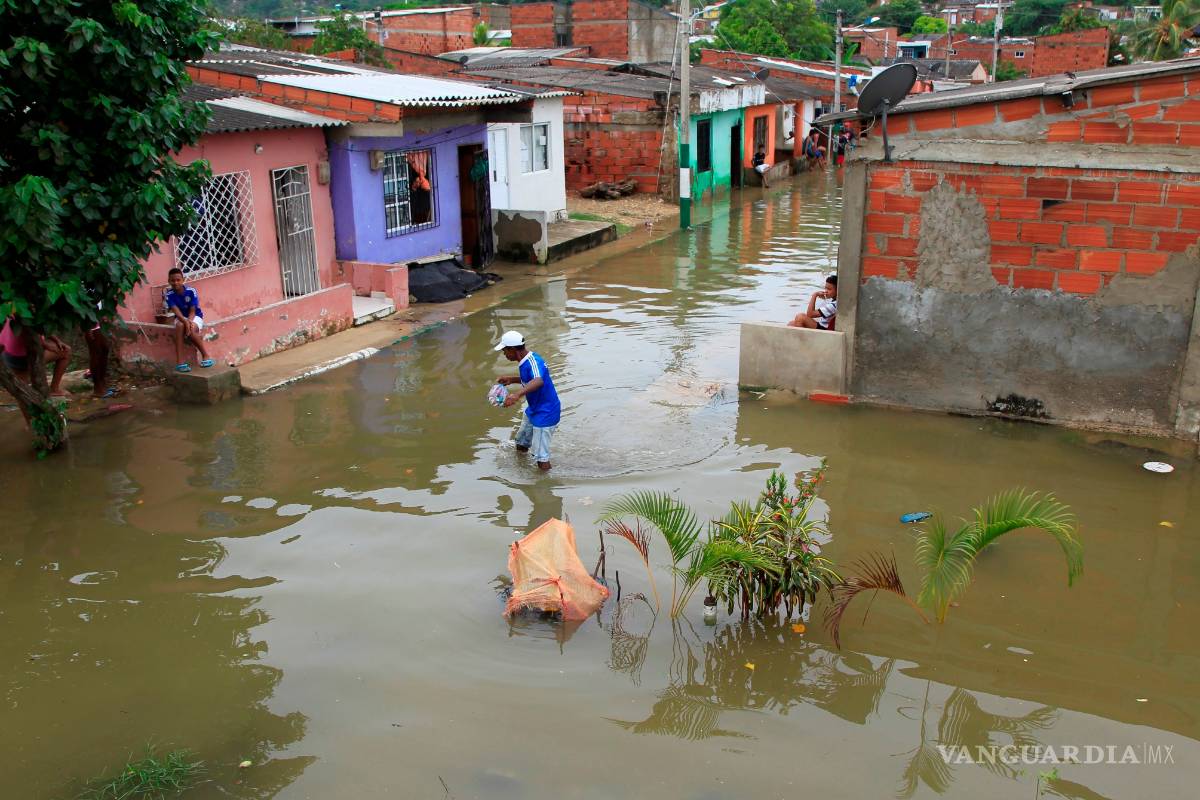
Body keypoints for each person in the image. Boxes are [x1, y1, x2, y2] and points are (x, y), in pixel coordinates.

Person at [494, 330, 560, 471]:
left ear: (513, 349)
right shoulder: (525, 361)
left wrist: (516, 395)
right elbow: (531, 379)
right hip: (534, 409)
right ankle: (521, 467)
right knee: (521, 443)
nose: (504, 354)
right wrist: (512, 380)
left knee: (541, 458)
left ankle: (543, 481)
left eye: (505, 351)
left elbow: (538, 381)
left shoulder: (533, 361)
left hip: (545, 412)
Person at [0, 316, 72, 399]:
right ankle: (54, 389)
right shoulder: (28, 317)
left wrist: (57, 340)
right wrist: (46, 345)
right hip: (20, 359)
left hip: (7, 355)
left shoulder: (14, 312)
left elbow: (41, 329)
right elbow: (31, 335)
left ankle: (25, 377)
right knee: (66, 351)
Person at [164, 267, 214, 372]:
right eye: (173, 280)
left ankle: (205, 355)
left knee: (190, 330)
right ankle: (180, 362)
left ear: (183, 280)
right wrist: (185, 322)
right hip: (180, 317)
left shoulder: (191, 291)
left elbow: (193, 310)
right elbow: (176, 312)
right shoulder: (169, 295)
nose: (175, 282)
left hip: (195, 316)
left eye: (178, 280)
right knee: (179, 326)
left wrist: (189, 322)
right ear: (169, 281)